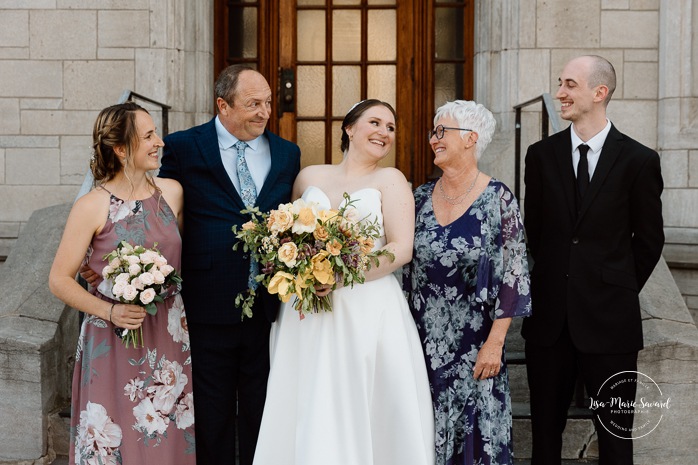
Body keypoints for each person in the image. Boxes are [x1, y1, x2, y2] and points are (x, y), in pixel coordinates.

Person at [252, 99, 435, 465]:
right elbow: (289, 236)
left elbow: (401, 249)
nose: (384, 132)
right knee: (307, 394)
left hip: (366, 306)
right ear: (349, 128)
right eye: (375, 122)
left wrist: (340, 275)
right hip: (306, 311)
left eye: (391, 127)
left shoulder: (391, 179)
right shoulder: (309, 177)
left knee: (358, 396)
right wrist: (299, 269)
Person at [522, 55, 664, 465]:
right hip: (549, 324)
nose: (560, 93)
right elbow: (537, 230)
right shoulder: (540, 155)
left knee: (616, 440)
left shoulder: (639, 160)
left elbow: (650, 240)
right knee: (545, 437)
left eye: (570, 85)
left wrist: (613, 288)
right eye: (560, 83)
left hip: (611, 323)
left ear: (599, 93)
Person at [158, 64, 301, 465]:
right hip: (207, 300)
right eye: (253, 103)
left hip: (271, 302)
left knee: (263, 408)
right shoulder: (183, 146)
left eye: (268, 103)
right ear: (223, 105)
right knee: (212, 411)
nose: (264, 112)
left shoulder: (288, 153)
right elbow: (162, 214)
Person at [49, 102, 195, 464]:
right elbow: (58, 279)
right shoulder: (92, 206)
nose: (159, 142)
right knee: (115, 439)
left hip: (168, 337)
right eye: (148, 136)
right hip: (111, 340)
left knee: (163, 436)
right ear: (121, 148)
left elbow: (180, 261)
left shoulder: (171, 193)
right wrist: (110, 309)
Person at [403, 100, 531, 465]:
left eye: (442, 131)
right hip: (421, 343)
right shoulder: (419, 199)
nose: (433, 139)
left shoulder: (499, 199)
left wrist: (495, 343)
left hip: (477, 346)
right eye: (433, 132)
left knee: (477, 440)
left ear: (471, 139)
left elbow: (514, 273)